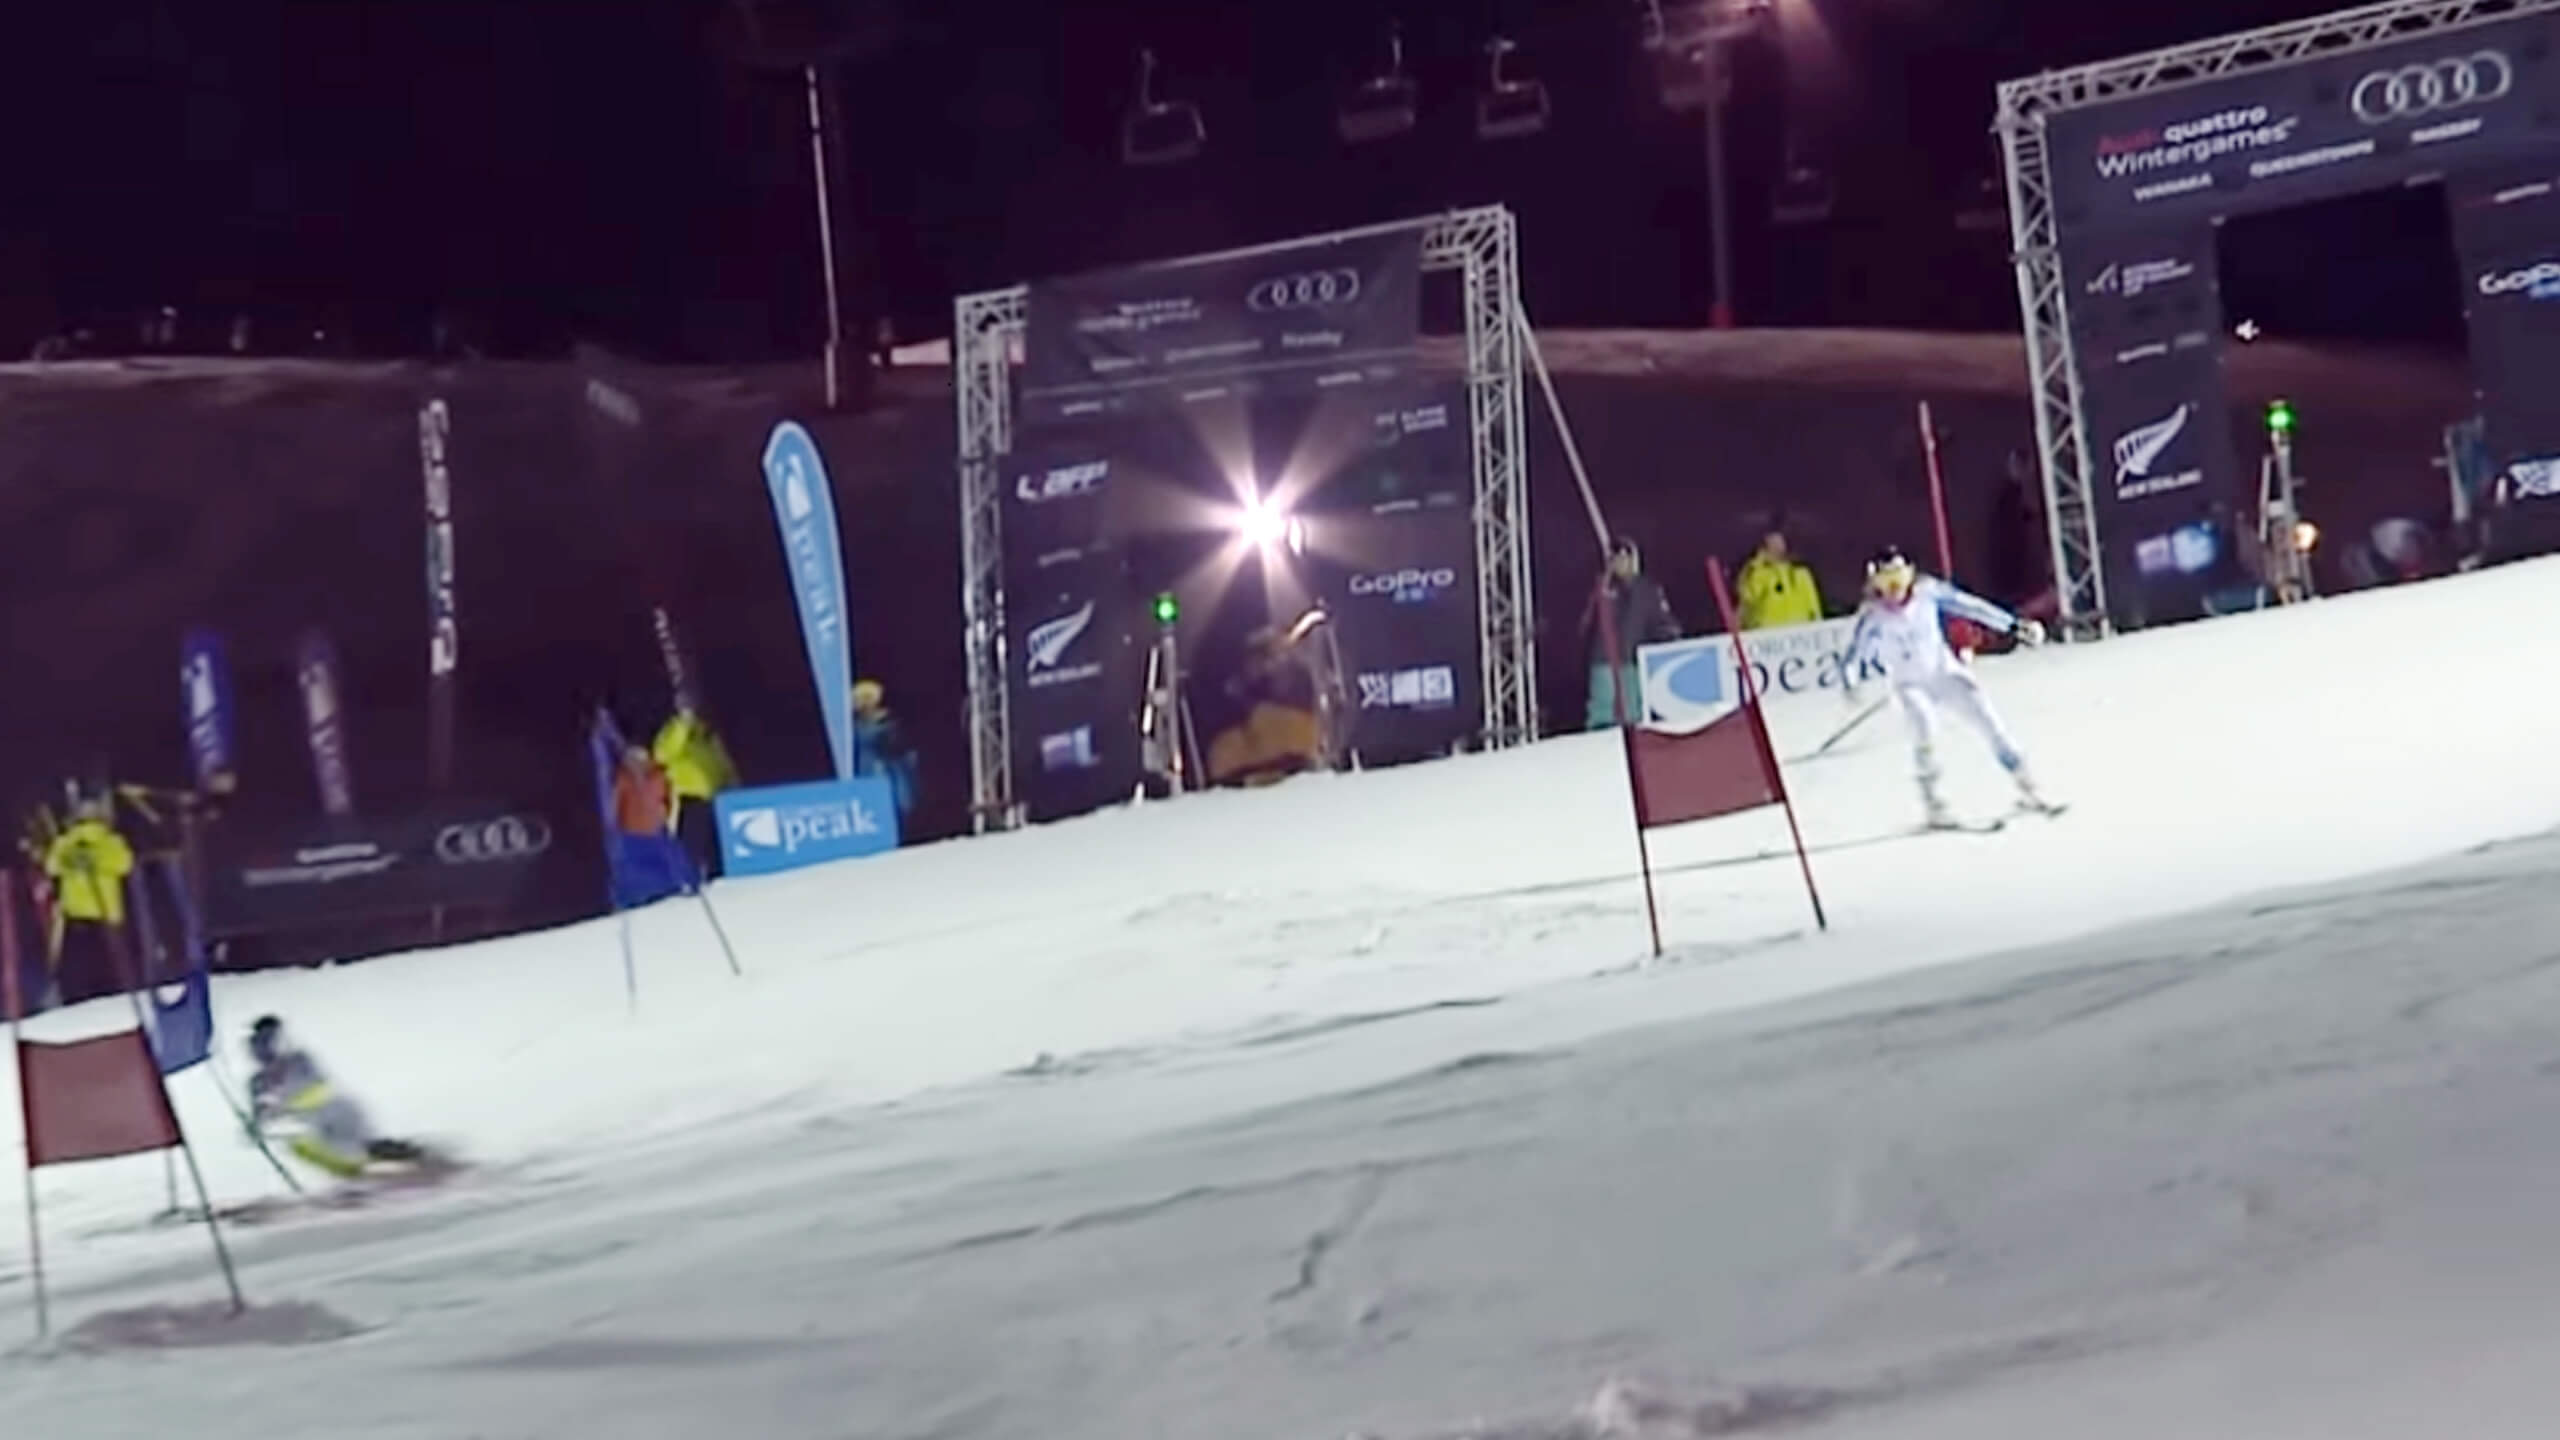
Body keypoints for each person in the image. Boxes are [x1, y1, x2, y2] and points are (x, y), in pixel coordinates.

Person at [1847, 547, 2056, 829]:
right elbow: (1854, 653)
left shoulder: (1927, 592)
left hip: (1943, 673)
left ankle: (2027, 785)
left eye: (1898, 578)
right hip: (1909, 685)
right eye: (1886, 581)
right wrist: (1851, 681)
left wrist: (2012, 625)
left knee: (1987, 719)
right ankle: (1933, 804)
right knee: (1924, 728)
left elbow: (1970, 606)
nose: (1894, 588)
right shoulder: (1873, 614)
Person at [245, 1015, 429, 1180]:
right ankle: (365, 1173)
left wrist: (280, 1108)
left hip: (333, 1111)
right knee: (309, 1146)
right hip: (310, 1124)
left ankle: (408, 1160)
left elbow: (313, 1087)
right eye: (258, 1044)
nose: (262, 1049)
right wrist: (255, 1127)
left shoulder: (300, 1060)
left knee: (361, 1145)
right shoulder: (259, 1081)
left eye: (268, 1041)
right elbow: (263, 1115)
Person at [41, 790, 135, 1005]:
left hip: (76, 915)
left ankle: (77, 1001)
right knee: (109, 971)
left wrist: (75, 859)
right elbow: (125, 864)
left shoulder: (65, 842)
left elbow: (51, 866)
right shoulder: (111, 841)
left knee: (78, 972)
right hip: (106, 914)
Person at [1582, 535, 1680, 730]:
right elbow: (1586, 624)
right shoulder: (1602, 587)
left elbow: (1661, 621)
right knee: (1603, 716)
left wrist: (1670, 639)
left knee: (1631, 716)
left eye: (1625, 557)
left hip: (1632, 663)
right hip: (1604, 662)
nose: (1620, 562)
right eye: (1615, 557)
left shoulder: (1645, 589)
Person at [651, 705, 739, 879]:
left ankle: (716, 879)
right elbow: (661, 754)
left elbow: (723, 765)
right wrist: (683, 723)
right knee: (690, 848)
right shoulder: (680, 735)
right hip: (690, 799)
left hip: (717, 802)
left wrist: (733, 786)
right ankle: (684, 880)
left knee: (716, 851)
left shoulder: (709, 740)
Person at [850, 679, 919, 825]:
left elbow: (898, 748)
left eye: (858, 700)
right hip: (863, 768)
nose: (855, 705)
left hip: (885, 771)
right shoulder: (853, 725)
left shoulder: (887, 723)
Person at [1736, 528, 1824, 630]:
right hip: (1767, 633)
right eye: (1771, 543)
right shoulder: (1755, 573)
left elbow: (1814, 606)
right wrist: (1757, 564)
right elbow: (1747, 601)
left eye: (1779, 542)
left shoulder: (1800, 572)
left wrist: (1818, 628)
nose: (1776, 546)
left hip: (1799, 630)